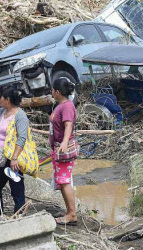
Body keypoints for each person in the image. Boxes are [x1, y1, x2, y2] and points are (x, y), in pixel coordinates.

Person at [0, 86, 28, 215]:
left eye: (1, 98)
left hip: (13, 158)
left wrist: (14, 158)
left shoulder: (20, 116)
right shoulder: (2, 111)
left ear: (7, 99)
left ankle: (19, 215)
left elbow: (22, 137)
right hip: (1, 157)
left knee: (17, 188)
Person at [50, 78, 78, 226]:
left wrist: (65, 142)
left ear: (58, 92)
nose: (52, 92)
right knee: (61, 181)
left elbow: (68, 125)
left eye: (52, 90)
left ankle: (72, 214)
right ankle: (69, 210)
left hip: (63, 149)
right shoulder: (61, 105)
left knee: (64, 181)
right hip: (58, 148)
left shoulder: (66, 106)